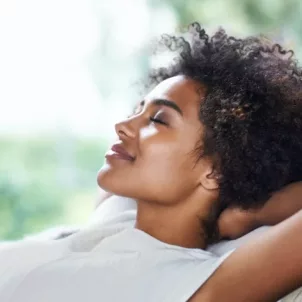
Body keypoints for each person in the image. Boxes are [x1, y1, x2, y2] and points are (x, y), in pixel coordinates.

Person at [1, 22, 302, 301]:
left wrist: (250, 215)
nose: (123, 124)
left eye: (158, 120)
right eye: (138, 109)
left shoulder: (185, 282)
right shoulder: (119, 213)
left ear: (214, 172)